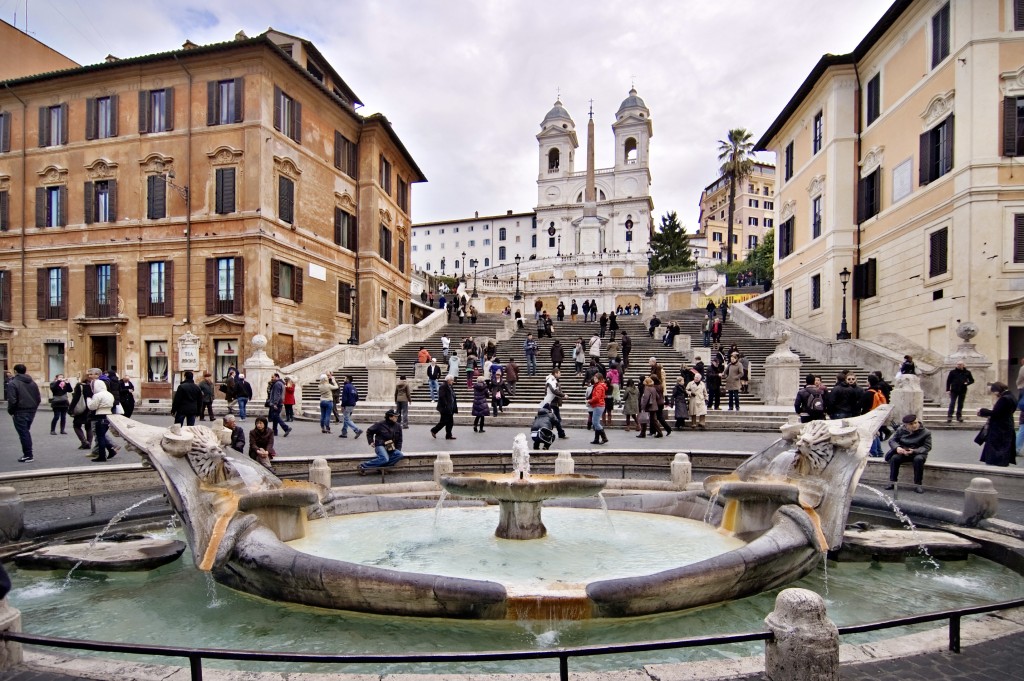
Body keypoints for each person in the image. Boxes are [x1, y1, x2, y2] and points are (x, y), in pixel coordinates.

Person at [885, 414, 932, 493]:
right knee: (894, 458)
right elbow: (892, 440)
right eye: (911, 424)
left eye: (915, 422)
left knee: (918, 460)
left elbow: (927, 447)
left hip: (918, 453)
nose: (914, 425)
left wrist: (914, 451)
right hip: (903, 451)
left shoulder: (926, 432)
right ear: (905, 425)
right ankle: (892, 482)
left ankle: (918, 485)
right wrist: (898, 448)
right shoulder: (900, 430)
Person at [978, 382, 1018, 467]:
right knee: (1004, 446)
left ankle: (996, 462)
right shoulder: (1012, 397)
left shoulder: (1004, 399)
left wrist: (982, 411)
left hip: (1000, 427)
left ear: (998, 390)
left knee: (997, 446)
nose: (995, 394)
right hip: (1008, 424)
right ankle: (1001, 462)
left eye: (994, 391)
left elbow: (996, 413)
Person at [7, 364, 41, 463]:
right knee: (25, 431)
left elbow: (12, 400)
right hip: (31, 410)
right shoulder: (32, 382)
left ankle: (28, 455)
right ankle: (28, 454)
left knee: (23, 433)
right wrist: (34, 407)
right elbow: (38, 398)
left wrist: (11, 411)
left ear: (15, 371)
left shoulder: (13, 383)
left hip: (20, 411)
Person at [85, 377, 118, 462]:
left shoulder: (97, 395)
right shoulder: (109, 394)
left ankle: (102, 456)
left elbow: (92, 407)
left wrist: (88, 400)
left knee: (100, 437)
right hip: (108, 415)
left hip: (100, 415)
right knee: (102, 436)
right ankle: (111, 451)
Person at [69, 368, 99, 451]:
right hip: (91, 407)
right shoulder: (94, 385)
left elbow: (75, 398)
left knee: (76, 425)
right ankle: (88, 443)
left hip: (81, 408)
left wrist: (71, 409)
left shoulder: (80, 386)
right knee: (88, 426)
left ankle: (84, 442)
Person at [542, 369, 568, 439]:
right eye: (559, 373)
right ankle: (548, 433)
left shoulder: (552, 380)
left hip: (552, 402)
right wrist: (563, 395)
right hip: (552, 403)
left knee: (556, 419)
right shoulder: (551, 380)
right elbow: (554, 391)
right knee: (556, 419)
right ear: (555, 373)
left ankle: (560, 433)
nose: (560, 374)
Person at [431, 375, 459, 440]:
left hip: (450, 407)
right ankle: (434, 430)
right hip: (445, 408)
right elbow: (441, 396)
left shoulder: (450, 386)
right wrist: (446, 404)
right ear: (448, 380)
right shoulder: (443, 386)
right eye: (452, 380)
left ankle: (448, 435)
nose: (453, 381)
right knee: (443, 421)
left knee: (450, 422)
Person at [266, 373, 292, 437]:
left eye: (273, 377)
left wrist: (275, 403)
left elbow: (277, 394)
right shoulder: (281, 383)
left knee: (276, 416)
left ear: (277, 377)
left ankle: (286, 428)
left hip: (277, 403)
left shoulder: (277, 384)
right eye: (271, 377)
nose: (272, 378)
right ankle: (274, 431)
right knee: (275, 417)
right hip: (280, 402)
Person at [588, 373, 608, 445]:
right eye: (594, 378)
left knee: (595, 422)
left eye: (596, 378)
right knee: (596, 422)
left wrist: (589, 401)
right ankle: (596, 439)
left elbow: (597, 398)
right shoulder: (598, 386)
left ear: (599, 379)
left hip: (598, 405)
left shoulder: (599, 387)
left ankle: (604, 438)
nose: (594, 379)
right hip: (599, 405)